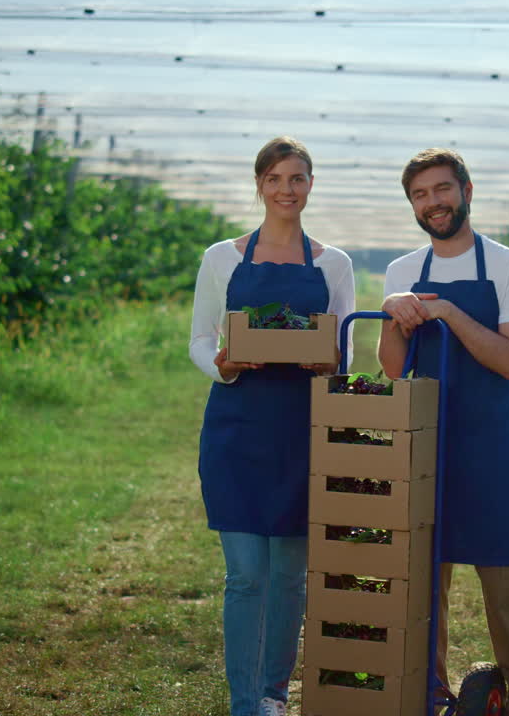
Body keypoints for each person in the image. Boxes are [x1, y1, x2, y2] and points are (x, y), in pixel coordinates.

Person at [378, 148, 509, 716]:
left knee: (507, 584)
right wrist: (391, 310)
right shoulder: (403, 271)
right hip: (422, 444)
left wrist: (450, 313)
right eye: (420, 195)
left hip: (489, 446)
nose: (433, 203)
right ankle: (425, 695)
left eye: (441, 190)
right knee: (425, 584)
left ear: (467, 191)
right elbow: (389, 368)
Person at [190, 136, 356, 716]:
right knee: (245, 576)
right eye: (276, 179)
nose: (287, 190)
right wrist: (225, 365)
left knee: (288, 575)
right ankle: (243, 703)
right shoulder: (223, 258)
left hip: (301, 430)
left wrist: (328, 361)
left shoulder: (333, 263)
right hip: (237, 427)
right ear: (259, 184)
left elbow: (345, 353)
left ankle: (272, 695)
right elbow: (200, 339)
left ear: (311, 185)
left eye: (298, 179)